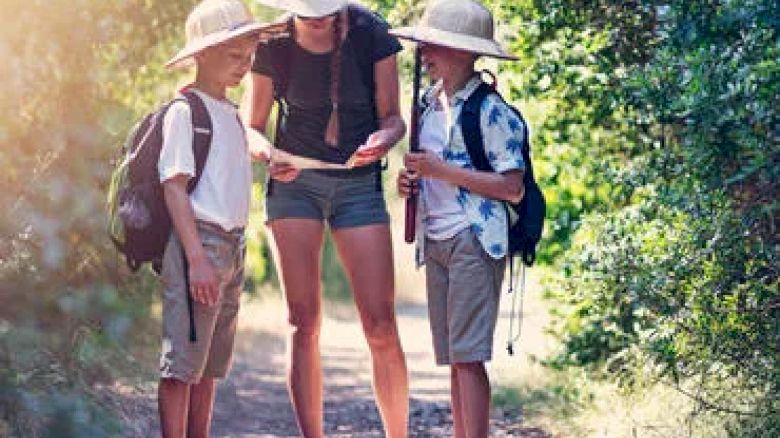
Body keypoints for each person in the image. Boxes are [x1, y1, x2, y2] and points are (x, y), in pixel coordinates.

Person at [244, 1, 409, 437]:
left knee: (380, 324)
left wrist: (383, 138)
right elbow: (252, 126)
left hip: (358, 185)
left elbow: (394, 118)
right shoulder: (274, 43)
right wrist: (268, 154)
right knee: (303, 321)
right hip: (294, 183)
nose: (315, 18)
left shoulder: (371, 33)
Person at [393, 1, 526, 437]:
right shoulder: (427, 106)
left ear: (467, 53)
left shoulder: (491, 111)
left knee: (468, 357)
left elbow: (512, 187)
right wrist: (411, 181)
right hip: (436, 239)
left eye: (437, 46)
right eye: (425, 45)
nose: (426, 53)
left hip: (475, 237)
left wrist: (441, 171)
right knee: (454, 355)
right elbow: (425, 170)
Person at [157, 1, 269, 436]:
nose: (244, 67)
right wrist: (197, 258)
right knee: (181, 365)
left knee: (208, 367)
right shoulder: (185, 111)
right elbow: (174, 188)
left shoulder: (231, 114)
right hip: (199, 246)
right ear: (202, 54)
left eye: (249, 57)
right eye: (233, 56)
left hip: (232, 248)